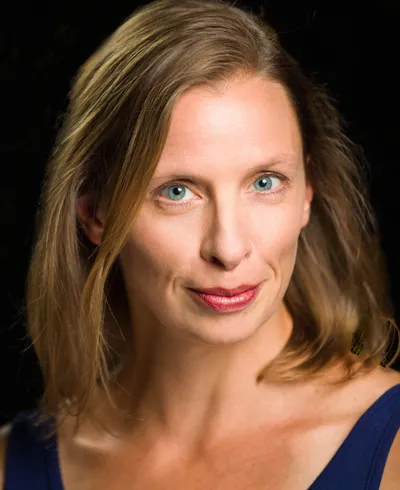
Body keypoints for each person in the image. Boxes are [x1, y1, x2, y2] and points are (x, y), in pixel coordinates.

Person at [1, 0, 400, 488]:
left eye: (265, 182)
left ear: (307, 192)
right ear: (96, 214)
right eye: (178, 192)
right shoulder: (10, 464)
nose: (228, 249)